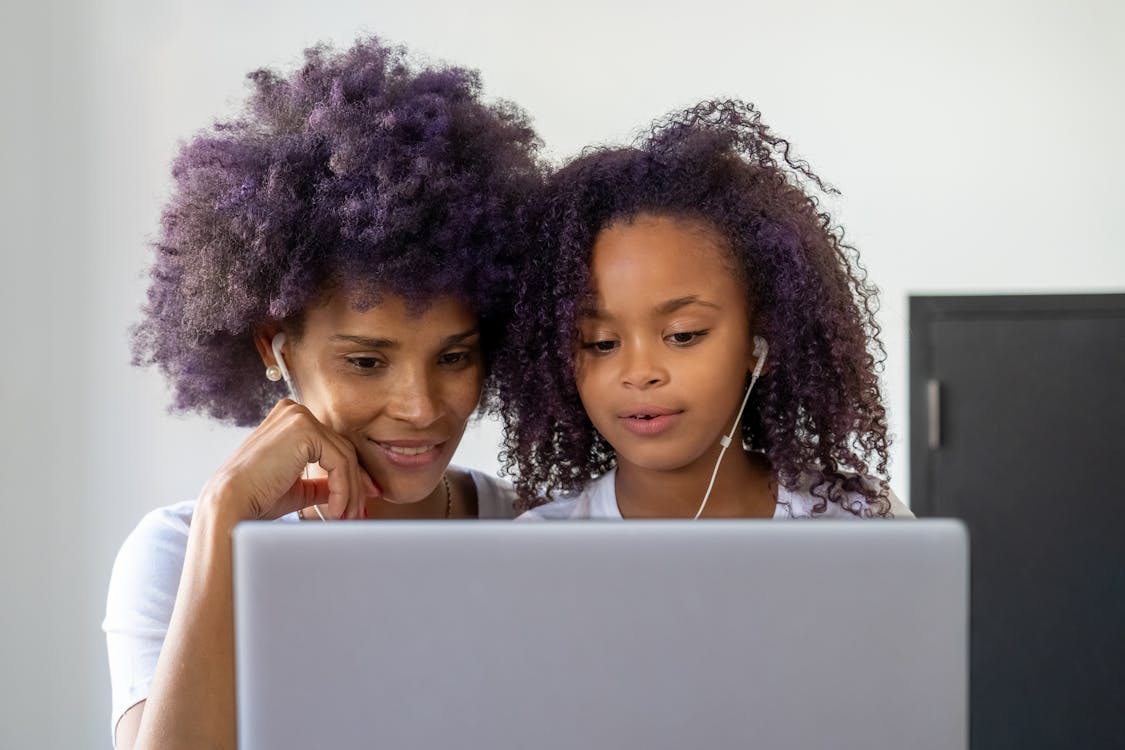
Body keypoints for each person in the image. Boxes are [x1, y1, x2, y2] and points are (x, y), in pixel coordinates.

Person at [103, 37, 543, 750]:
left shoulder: (539, 537)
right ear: (273, 347)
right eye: (367, 362)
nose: (421, 406)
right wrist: (226, 517)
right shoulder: (180, 554)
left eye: (454, 356)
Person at [495, 99, 912, 520]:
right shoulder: (540, 546)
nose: (640, 372)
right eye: (601, 343)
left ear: (760, 343)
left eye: (683, 334)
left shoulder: (861, 520)